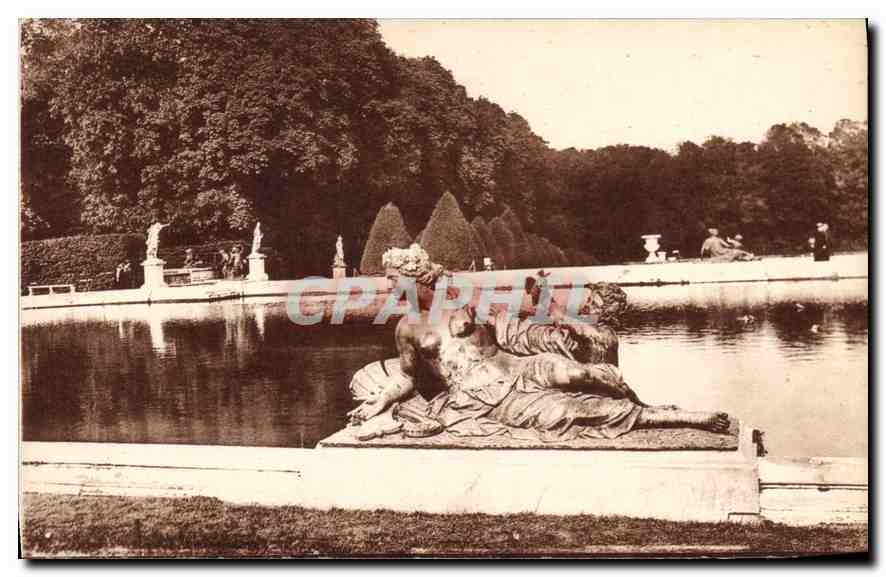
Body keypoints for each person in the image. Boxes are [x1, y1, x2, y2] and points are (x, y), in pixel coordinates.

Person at [349, 245, 730, 442]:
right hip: (483, 397)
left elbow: (517, 321)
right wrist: (378, 404)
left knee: (583, 372)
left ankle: (643, 403)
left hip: (517, 368)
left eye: (392, 278)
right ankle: (681, 418)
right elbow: (408, 377)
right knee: (573, 412)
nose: (388, 285)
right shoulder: (407, 328)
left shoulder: (465, 301)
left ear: (417, 278)